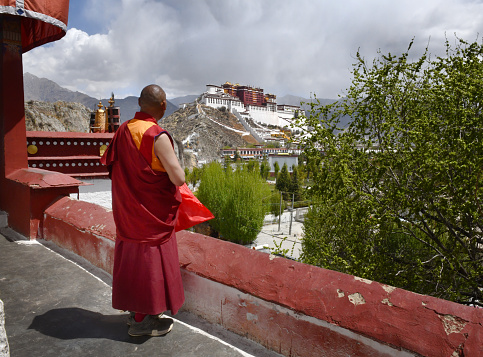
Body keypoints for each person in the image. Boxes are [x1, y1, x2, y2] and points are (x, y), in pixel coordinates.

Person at [100, 84, 185, 337]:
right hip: (152, 215)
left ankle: (135, 313)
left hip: (128, 211)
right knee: (149, 264)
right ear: (163, 106)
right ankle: (141, 321)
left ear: (138, 102)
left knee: (133, 261)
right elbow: (178, 178)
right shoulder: (157, 136)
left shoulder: (123, 130)